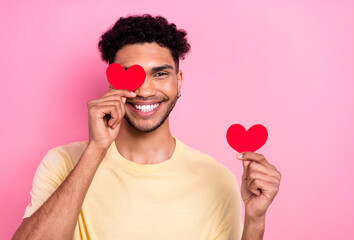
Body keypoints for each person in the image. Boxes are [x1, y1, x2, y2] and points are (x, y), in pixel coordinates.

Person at [13, 14, 281, 240]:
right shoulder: (62, 162)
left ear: (178, 81)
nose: (144, 90)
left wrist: (255, 222)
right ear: (112, 82)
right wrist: (96, 149)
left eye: (160, 74)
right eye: (132, 75)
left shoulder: (217, 179)